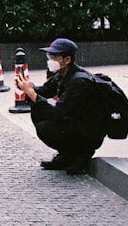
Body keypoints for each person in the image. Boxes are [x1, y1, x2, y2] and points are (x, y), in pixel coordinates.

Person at [14, 38, 106, 175]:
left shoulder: (79, 81)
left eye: (54, 56)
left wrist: (32, 93)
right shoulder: (61, 75)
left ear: (67, 60)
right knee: (38, 111)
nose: (50, 60)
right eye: (49, 56)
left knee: (45, 127)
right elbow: (44, 92)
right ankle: (66, 154)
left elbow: (58, 113)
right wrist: (28, 87)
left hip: (88, 133)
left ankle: (81, 155)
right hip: (75, 124)